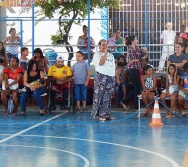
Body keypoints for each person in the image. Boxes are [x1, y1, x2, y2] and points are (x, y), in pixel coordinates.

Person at [92, 39, 119, 121]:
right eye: (103, 45)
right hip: (101, 76)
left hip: (110, 77)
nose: (105, 46)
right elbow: (101, 63)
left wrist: (116, 76)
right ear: (99, 45)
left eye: (106, 44)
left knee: (108, 96)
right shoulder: (97, 54)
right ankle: (100, 114)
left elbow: (113, 67)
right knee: (99, 95)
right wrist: (105, 53)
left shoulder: (111, 55)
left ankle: (106, 113)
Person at [120, 35, 142, 110]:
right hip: (132, 69)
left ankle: (125, 101)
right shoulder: (130, 49)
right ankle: (135, 105)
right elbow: (131, 60)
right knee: (137, 87)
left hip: (136, 69)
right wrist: (139, 59)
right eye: (136, 39)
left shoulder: (137, 49)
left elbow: (142, 53)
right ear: (132, 41)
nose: (137, 40)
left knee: (137, 87)